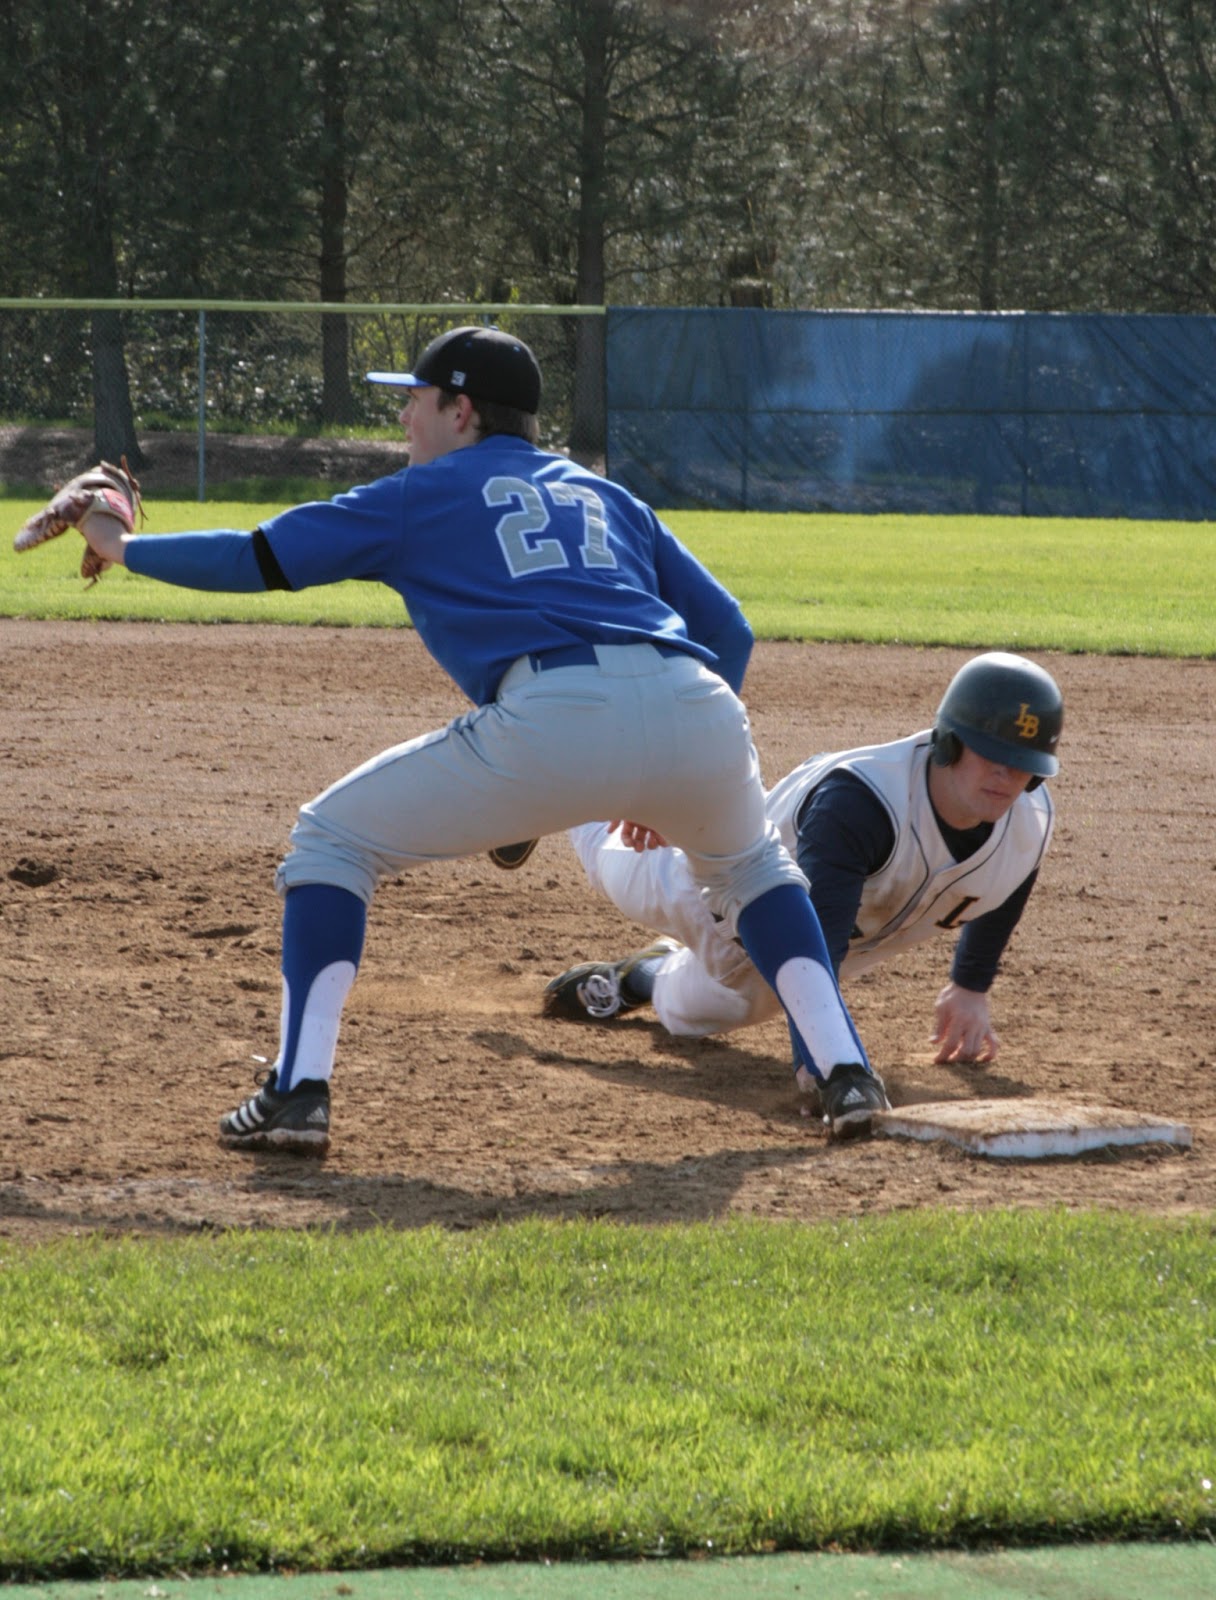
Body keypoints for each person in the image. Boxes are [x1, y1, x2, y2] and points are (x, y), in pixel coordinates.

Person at [68, 323, 890, 1150]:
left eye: (416, 401)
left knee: (330, 840)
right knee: (754, 869)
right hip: (698, 704)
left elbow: (256, 557)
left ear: (461, 410)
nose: (405, 422)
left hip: (556, 712)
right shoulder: (608, 496)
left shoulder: (422, 493)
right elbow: (730, 629)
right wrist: (664, 765)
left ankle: (297, 1091)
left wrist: (121, 543)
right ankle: (845, 1072)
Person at [541, 651, 1062, 1093]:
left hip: (791, 959)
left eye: (1022, 763)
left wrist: (970, 986)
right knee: (608, 860)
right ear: (949, 741)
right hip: (706, 881)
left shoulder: (1028, 824)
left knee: (697, 1015)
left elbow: (1004, 880)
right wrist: (824, 1067)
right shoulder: (864, 803)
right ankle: (550, 763)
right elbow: (821, 943)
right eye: (991, 753)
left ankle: (642, 975)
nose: (1007, 774)